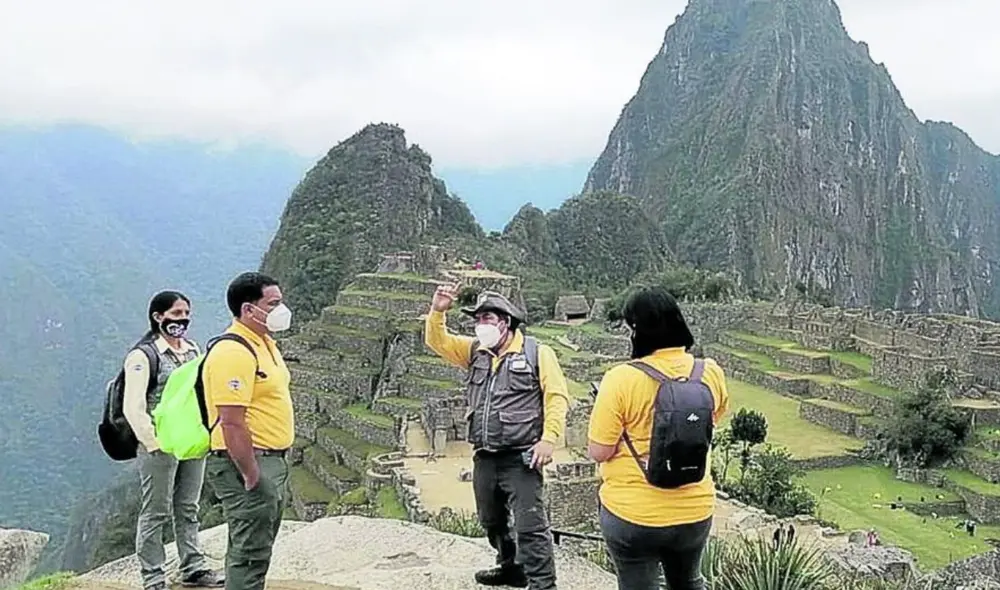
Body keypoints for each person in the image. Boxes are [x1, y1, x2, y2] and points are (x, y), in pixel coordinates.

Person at [425, 286, 570, 590]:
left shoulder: (537, 353)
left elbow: (556, 397)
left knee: (530, 524)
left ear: (505, 321)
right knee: (491, 519)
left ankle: (544, 584)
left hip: (522, 455)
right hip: (486, 454)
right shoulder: (474, 352)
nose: (481, 324)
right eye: (478, 318)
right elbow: (437, 342)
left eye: (487, 318)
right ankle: (510, 567)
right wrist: (438, 311)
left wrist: (549, 438)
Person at [587, 286, 730, 590]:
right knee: (689, 582)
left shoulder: (620, 379)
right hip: (695, 509)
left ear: (636, 330)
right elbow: (708, 424)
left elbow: (599, 451)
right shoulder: (710, 372)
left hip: (634, 514)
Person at [123, 290, 223, 590]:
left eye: (186, 313)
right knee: (156, 511)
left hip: (191, 442)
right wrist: (152, 443)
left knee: (188, 506)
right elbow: (133, 406)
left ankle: (193, 566)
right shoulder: (144, 356)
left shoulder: (192, 351)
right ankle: (153, 578)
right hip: (160, 445)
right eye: (177, 314)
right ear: (158, 317)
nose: (183, 319)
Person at [203, 272, 294, 590]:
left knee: (255, 547)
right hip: (246, 461)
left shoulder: (265, 343)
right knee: (250, 554)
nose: (282, 309)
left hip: (271, 459)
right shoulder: (234, 352)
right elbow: (231, 420)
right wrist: (251, 474)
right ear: (248, 310)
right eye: (274, 303)